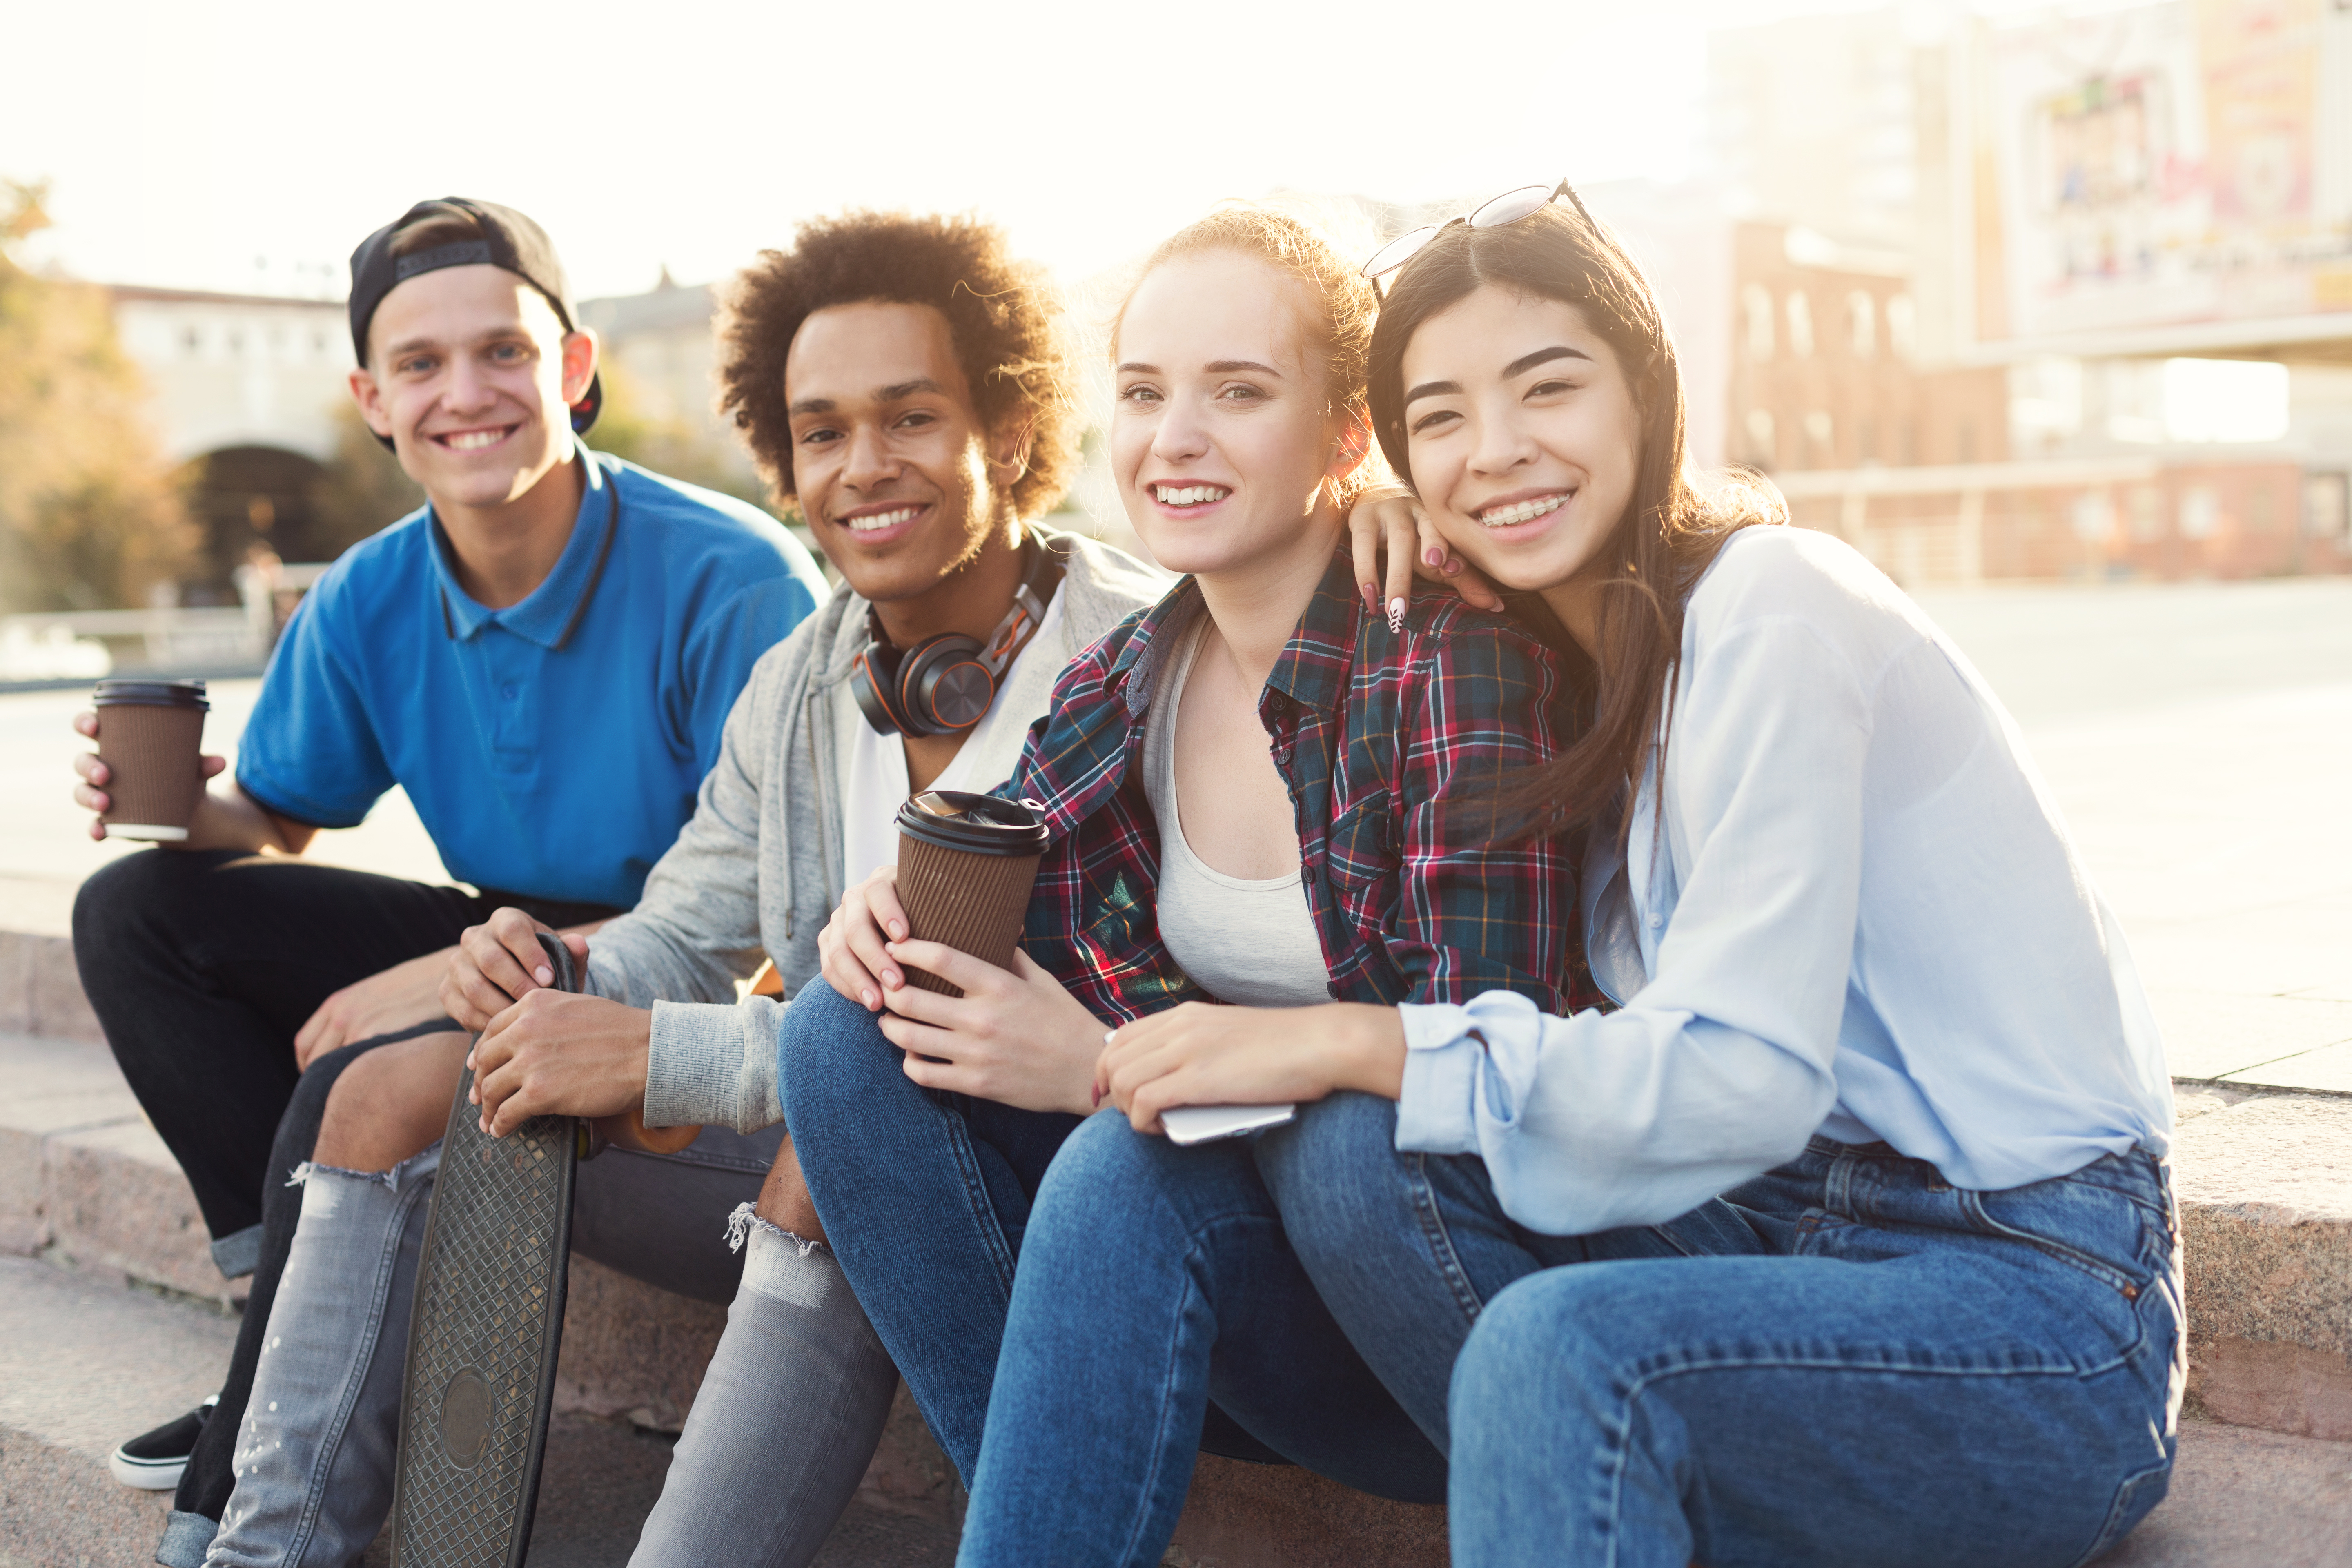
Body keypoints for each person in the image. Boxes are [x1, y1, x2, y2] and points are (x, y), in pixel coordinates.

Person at [1018, 186, 2181, 1567]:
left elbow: (1746, 1076)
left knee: (1547, 1337)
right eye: (1441, 418)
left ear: (1648, 392)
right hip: (1758, 1244)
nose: (1498, 452)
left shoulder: (1778, 609)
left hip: (2031, 1299)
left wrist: (1340, 1034)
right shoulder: (1575, 667)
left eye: (1548, 389)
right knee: (1239, 1156)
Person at [196, 210, 1172, 1568]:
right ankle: (268, 1552)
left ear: (1005, 435)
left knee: (826, 1151)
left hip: (1046, 1173)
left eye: (909, 418)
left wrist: (659, 1052)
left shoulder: (1137, 658)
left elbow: (934, 1057)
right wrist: (549, 975)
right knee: (396, 1089)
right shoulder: (802, 682)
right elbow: (679, 925)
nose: (862, 468)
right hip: (812, 1113)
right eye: (822, 432)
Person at [780, 205, 1586, 1548]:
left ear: (1345, 437)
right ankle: (1036, 1513)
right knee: (840, 1026)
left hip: (1436, 1307)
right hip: (1211, 1302)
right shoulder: (1121, 686)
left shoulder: (1451, 657)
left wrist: (1105, 1066)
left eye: (1239, 391)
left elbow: (1495, 1082)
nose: (1175, 438)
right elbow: (988, 889)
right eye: (1145, 393)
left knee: (1128, 1165)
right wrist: (890, 920)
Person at [77, 196, 827, 1563]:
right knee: (135, 914)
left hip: (674, 974)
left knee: (356, 1072)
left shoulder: (735, 578)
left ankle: (232, 1487)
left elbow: (763, 927)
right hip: (497, 920)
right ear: (372, 397)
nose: (464, 394)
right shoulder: (369, 590)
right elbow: (279, 817)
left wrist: (461, 972)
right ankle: (291, 1325)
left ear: (575, 367)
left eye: (502, 353)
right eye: (419, 365)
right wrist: (169, 805)